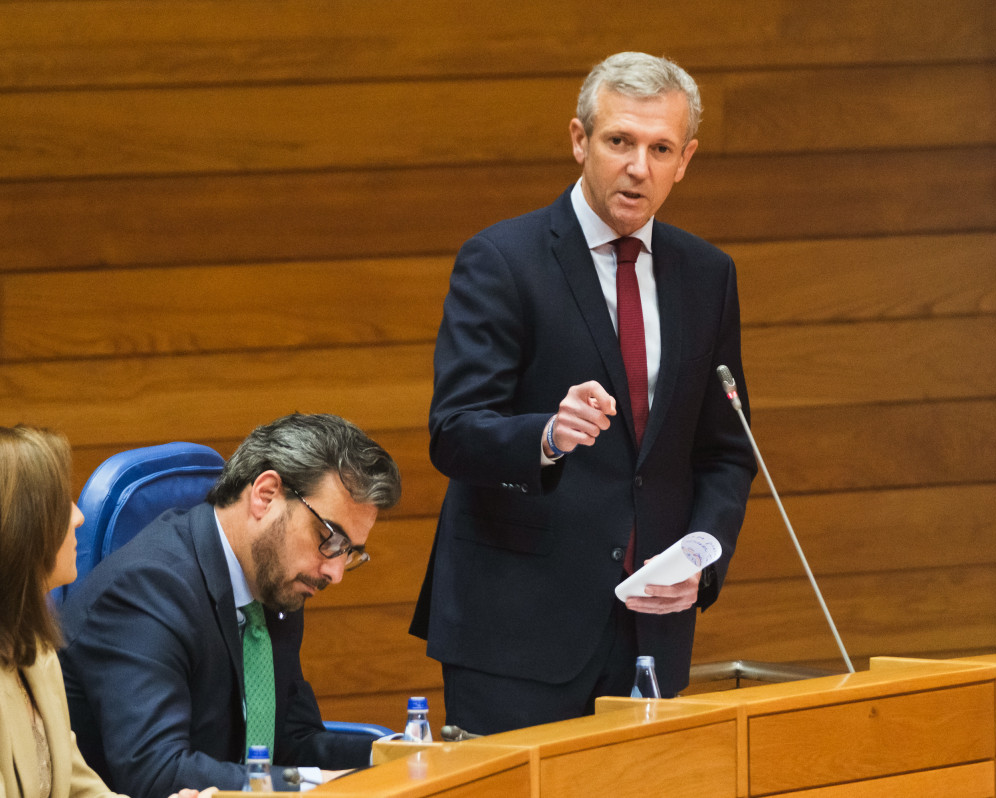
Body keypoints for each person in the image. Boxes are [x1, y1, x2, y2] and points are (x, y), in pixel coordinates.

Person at [410, 51, 757, 734]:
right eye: (619, 141)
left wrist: (702, 563)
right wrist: (545, 435)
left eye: (660, 149)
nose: (639, 167)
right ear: (579, 140)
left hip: (648, 636)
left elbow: (725, 452)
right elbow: (455, 431)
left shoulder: (707, 275)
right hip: (515, 633)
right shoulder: (502, 260)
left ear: (684, 159)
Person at [58, 414, 400, 798]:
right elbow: (157, 774)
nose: (334, 571)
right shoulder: (145, 590)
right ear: (266, 495)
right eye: (329, 538)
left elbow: (291, 743)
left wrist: (397, 757)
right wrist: (316, 784)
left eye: (349, 552)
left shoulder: (275, 582)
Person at [0, 425, 215, 798]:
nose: (78, 517)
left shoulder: (37, 647)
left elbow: (79, 789)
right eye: (59, 504)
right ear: (22, 525)